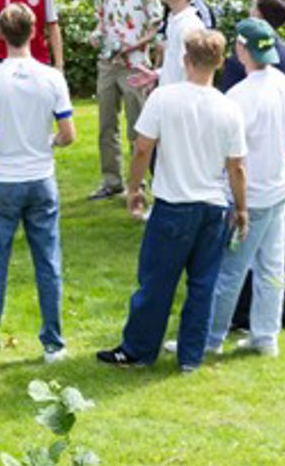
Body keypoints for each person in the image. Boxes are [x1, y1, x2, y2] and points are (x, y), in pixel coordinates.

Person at [97, 29, 247, 372]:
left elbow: (142, 148)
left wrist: (134, 188)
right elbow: (237, 167)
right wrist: (241, 208)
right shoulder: (229, 108)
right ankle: (191, 357)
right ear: (220, 63)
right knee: (203, 285)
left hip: (173, 205)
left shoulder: (164, 98)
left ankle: (139, 350)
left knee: (156, 283)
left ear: (185, 59)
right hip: (213, 206)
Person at [0, 3, 75, 372]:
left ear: (0, 37)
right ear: (35, 32)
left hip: (4, 180)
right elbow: (69, 134)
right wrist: (48, 142)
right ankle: (53, 344)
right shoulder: (52, 77)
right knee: (48, 262)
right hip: (41, 179)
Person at [202, 20, 285, 358]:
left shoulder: (239, 97)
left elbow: (231, 155)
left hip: (251, 193)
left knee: (230, 270)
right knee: (271, 265)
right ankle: (266, 337)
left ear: (242, 49)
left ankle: (210, 338)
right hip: (279, 187)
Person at [220, 0, 285, 330]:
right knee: (277, 253)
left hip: (252, 175)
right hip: (283, 168)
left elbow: (229, 133)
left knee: (235, 261)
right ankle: (275, 321)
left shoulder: (240, 81)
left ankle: (225, 326)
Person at [89, 0, 163, 200]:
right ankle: (111, 182)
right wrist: (96, 35)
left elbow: (155, 27)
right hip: (108, 63)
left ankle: (137, 183)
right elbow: (101, 20)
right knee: (106, 125)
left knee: (137, 127)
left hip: (135, 66)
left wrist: (133, 46)